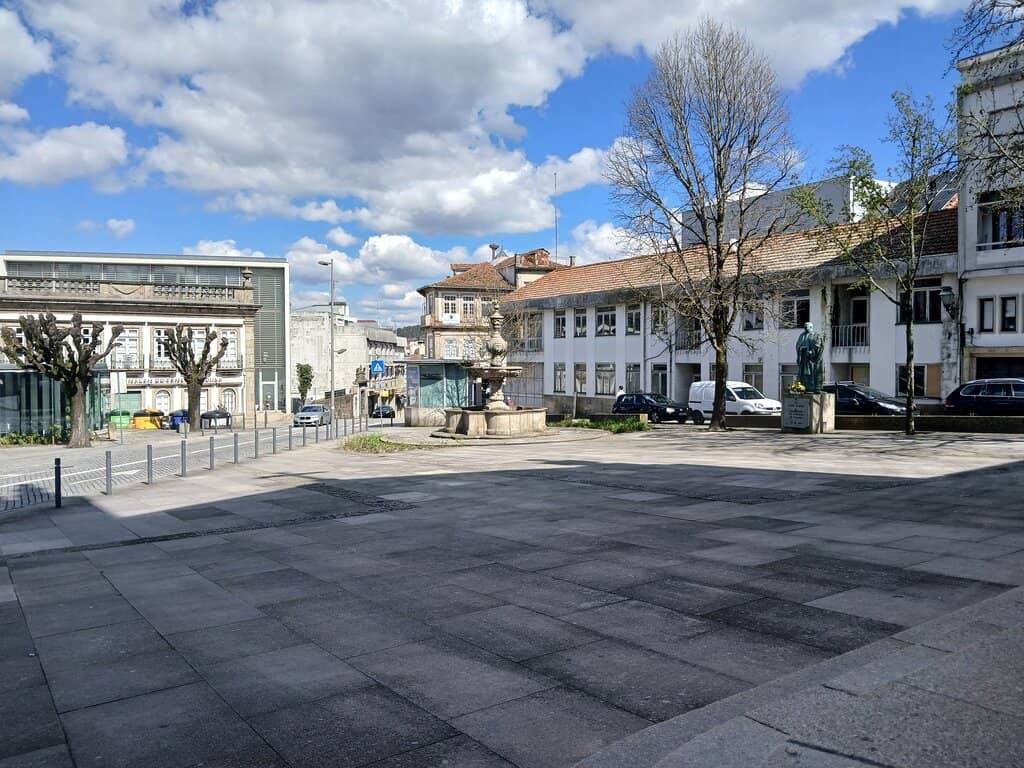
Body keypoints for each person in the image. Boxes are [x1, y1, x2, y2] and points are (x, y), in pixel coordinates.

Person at [796, 321, 824, 392]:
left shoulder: (816, 335)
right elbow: (798, 345)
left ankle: (813, 387)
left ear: (811, 327)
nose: (805, 329)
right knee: (802, 373)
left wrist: (812, 351)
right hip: (803, 356)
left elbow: (819, 345)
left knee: (812, 373)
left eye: (806, 327)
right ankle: (803, 386)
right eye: (804, 327)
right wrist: (799, 355)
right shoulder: (802, 335)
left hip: (812, 358)